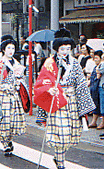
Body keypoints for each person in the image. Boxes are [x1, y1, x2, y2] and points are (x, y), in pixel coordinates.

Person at [34, 30, 95, 169]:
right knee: (60, 132)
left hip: (71, 101)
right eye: (62, 49)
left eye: (68, 49)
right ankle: (61, 162)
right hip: (57, 101)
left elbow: (80, 83)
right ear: (57, 49)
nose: (65, 51)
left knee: (70, 134)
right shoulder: (50, 62)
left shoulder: (75, 63)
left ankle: (59, 156)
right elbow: (42, 81)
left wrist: (83, 105)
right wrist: (49, 89)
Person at [0, 39, 29, 156]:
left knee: (13, 121)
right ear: (3, 50)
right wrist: (4, 87)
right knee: (5, 120)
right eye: (8, 48)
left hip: (14, 95)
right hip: (3, 96)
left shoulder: (17, 64)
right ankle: (5, 143)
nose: (11, 51)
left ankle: (9, 139)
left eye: (13, 48)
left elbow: (22, 79)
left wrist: (19, 82)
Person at [88, 50, 104, 129]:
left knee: (101, 105)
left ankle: (102, 122)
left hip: (100, 87)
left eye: (97, 58)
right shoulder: (95, 66)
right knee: (95, 104)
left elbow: (98, 76)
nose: (95, 60)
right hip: (94, 88)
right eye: (94, 58)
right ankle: (94, 122)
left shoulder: (101, 66)